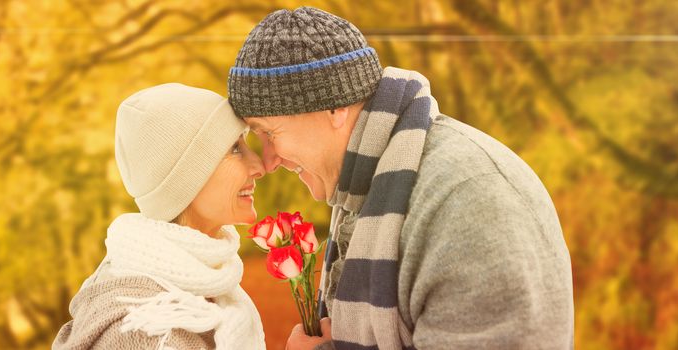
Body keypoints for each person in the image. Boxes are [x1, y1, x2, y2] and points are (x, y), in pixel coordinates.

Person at [227, 7, 574, 350]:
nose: (269, 161)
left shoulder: (469, 201)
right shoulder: (373, 183)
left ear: (334, 108)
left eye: (270, 133)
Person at [53, 83, 267, 350]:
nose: (260, 165)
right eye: (235, 148)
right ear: (187, 178)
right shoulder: (144, 330)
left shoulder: (204, 289)